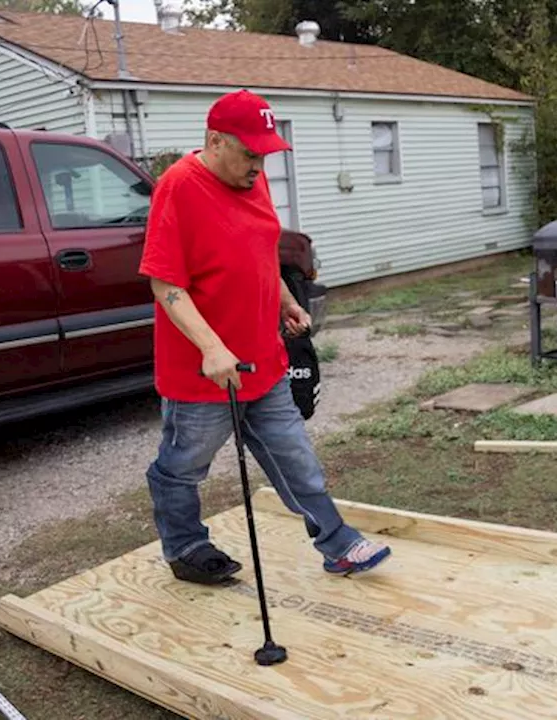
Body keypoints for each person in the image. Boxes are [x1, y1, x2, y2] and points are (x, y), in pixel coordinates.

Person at [139, 89, 391, 584]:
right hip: (205, 374)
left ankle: (337, 544)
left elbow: (258, 254)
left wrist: (286, 302)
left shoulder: (251, 181)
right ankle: (185, 544)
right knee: (182, 466)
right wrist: (212, 348)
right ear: (215, 141)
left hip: (264, 361)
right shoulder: (179, 187)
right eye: (251, 153)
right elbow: (165, 281)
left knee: (296, 457)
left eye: (266, 154)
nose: (260, 165)